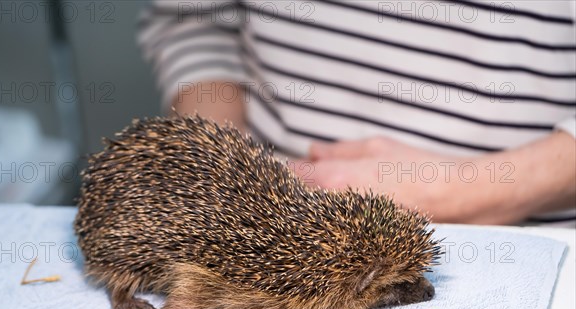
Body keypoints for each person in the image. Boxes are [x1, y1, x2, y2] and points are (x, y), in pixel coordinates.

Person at [137, 0, 576, 226]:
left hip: (540, 229)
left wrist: (461, 191)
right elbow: (197, 20)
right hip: (270, 205)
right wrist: (220, 164)